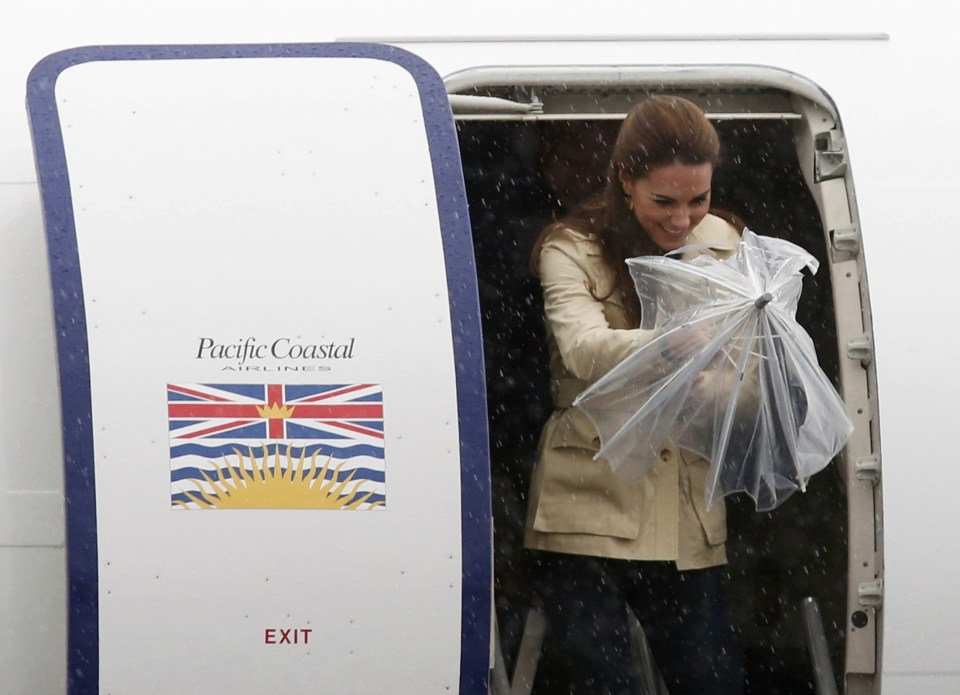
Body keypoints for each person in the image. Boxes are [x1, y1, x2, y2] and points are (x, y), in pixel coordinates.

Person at [524, 95, 745, 694]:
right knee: (602, 681)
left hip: (688, 508)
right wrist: (674, 345)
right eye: (664, 201)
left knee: (713, 679)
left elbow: (752, 375)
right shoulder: (570, 246)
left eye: (697, 199)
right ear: (626, 182)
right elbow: (583, 349)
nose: (682, 219)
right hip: (589, 501)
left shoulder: (728, 243)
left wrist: (715, 387)